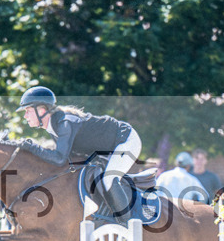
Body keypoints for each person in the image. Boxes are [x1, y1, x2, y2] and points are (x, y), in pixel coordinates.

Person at [17, 85, 142, 224]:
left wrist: (32, 147)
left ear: (41, 110)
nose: (25, 115)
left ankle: (128, 225)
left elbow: (59, 159)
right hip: (111, 147)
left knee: (109, 178)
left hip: (126, 140)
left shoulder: (65, 123)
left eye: (27, 110)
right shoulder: (54, 126)